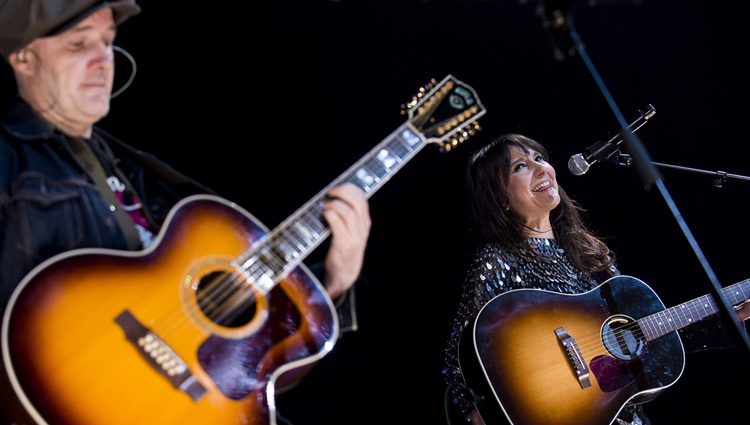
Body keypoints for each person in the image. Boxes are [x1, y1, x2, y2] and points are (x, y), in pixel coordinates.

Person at [0, 1, 370, 423]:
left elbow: (246, 363)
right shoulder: (10, 157)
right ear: (24, 58)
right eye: (78, 44)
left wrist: (335, 281)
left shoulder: (140, 174)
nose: (102, 60)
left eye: (107, 42)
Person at [442, 133, 749, 425]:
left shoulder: (589, 255)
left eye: (539, 157)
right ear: (500, 199)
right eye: (521, 166)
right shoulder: (497, 262)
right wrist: (479, 416)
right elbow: (459, 360)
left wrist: (728, 318)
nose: (540, 168)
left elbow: (644, 345)